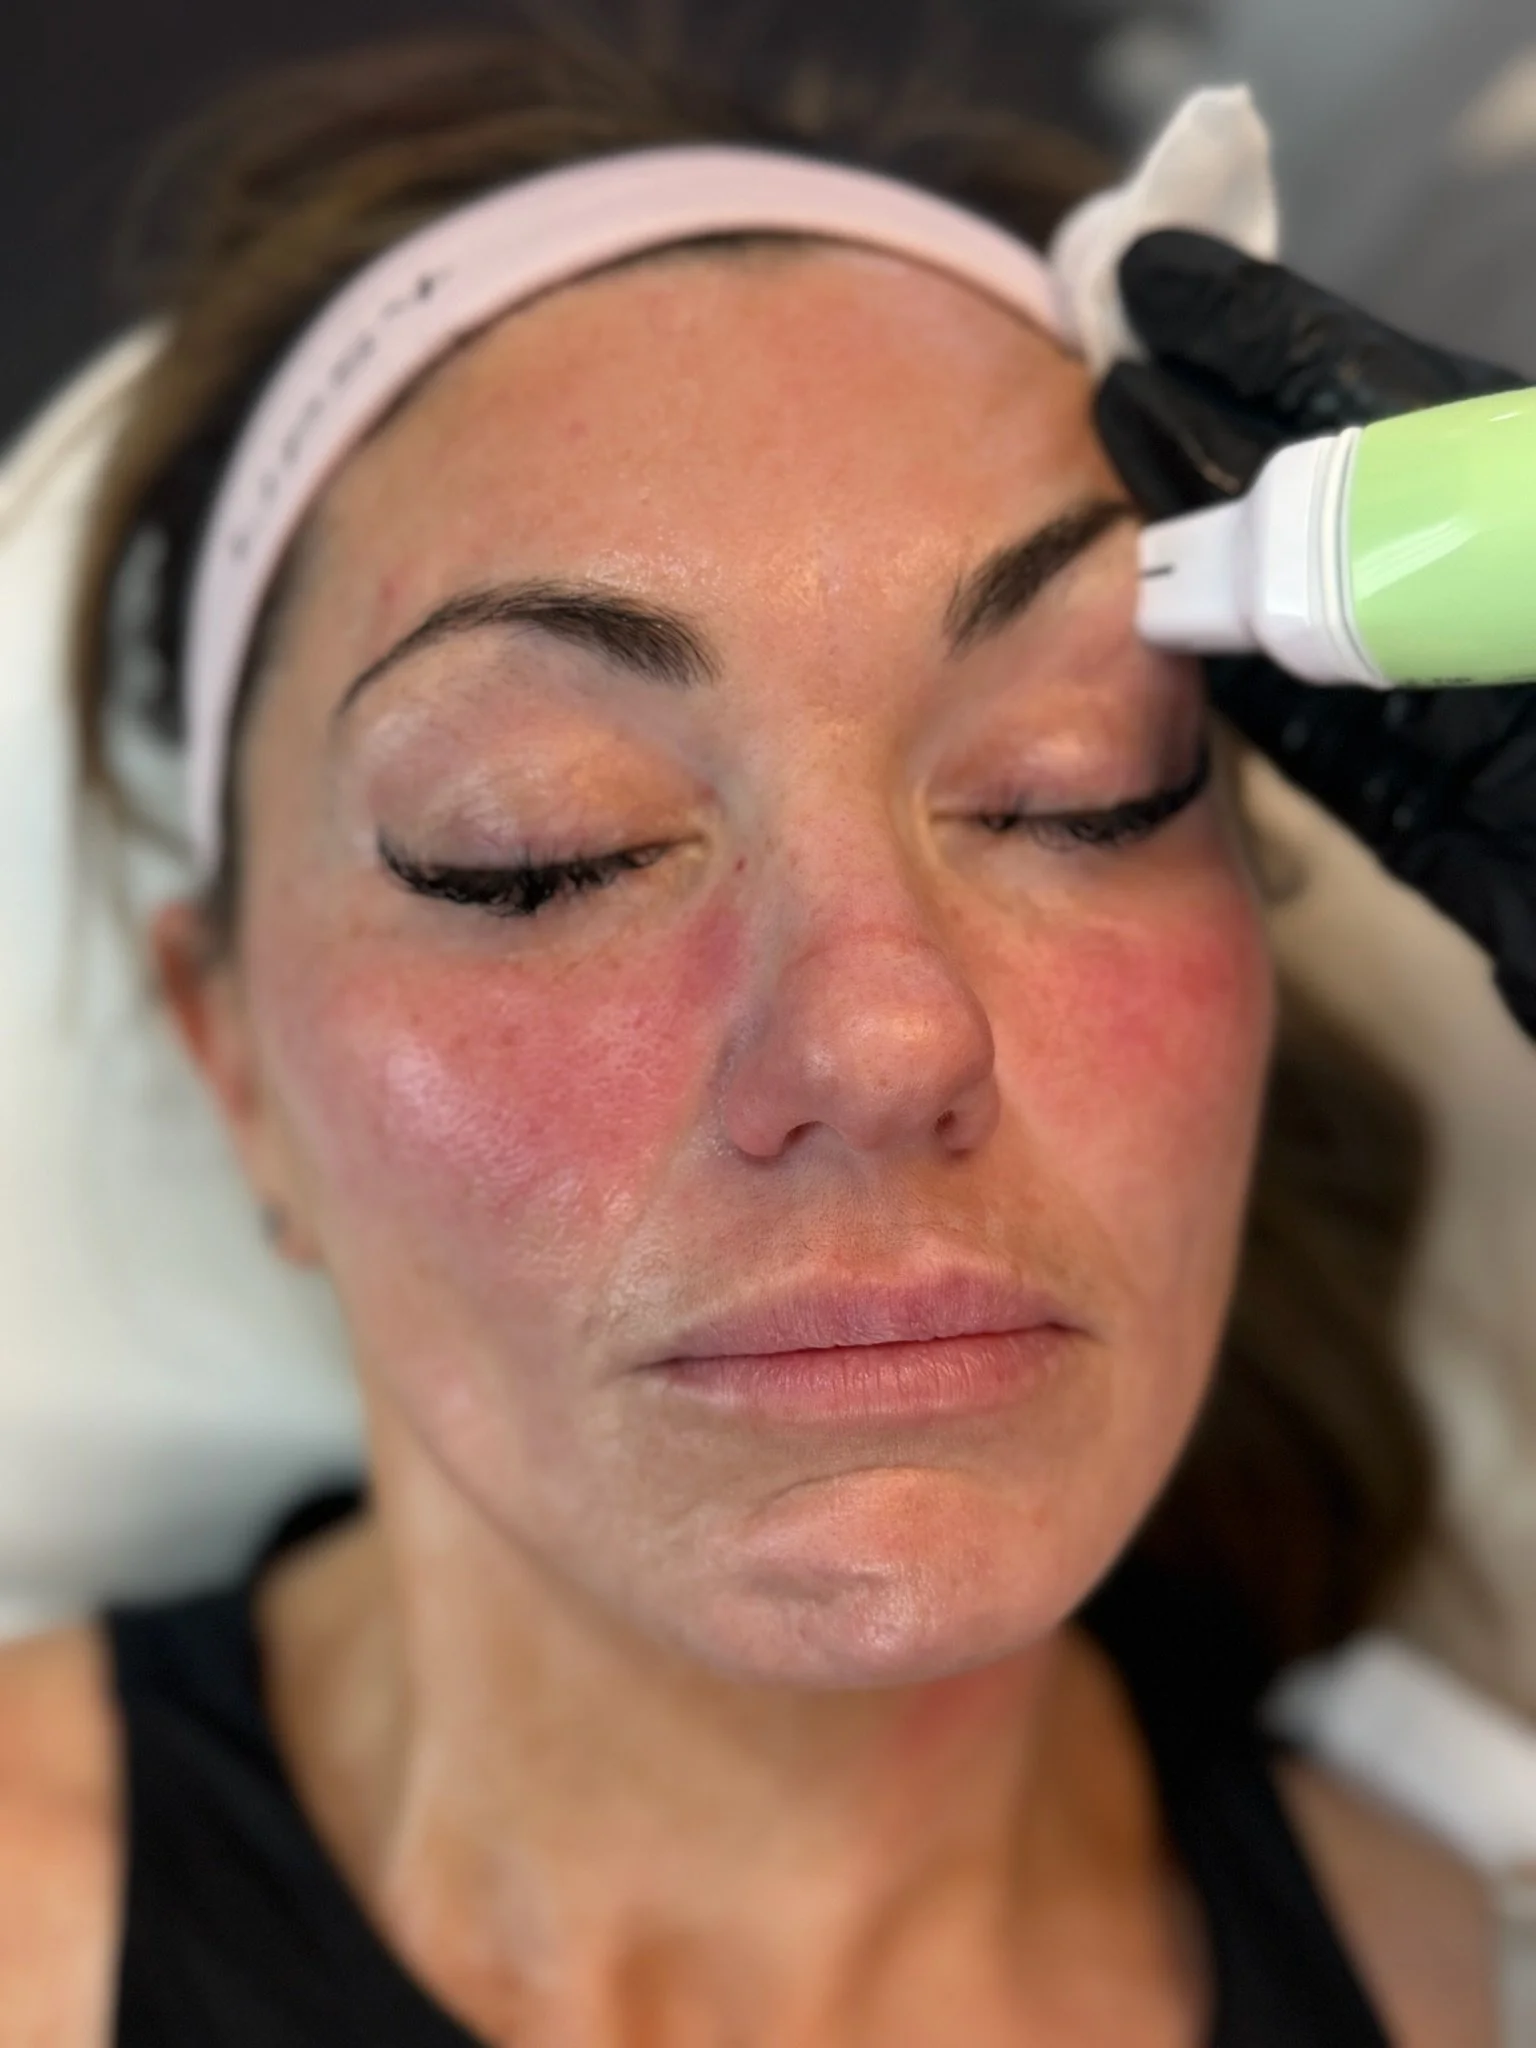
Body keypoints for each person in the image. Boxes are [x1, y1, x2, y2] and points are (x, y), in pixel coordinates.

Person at [0, 24, 1496, 2046]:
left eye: (1080, 789)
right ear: (231, 1057)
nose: (884, 1031)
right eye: (544, 848)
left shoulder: (1462, 1964)